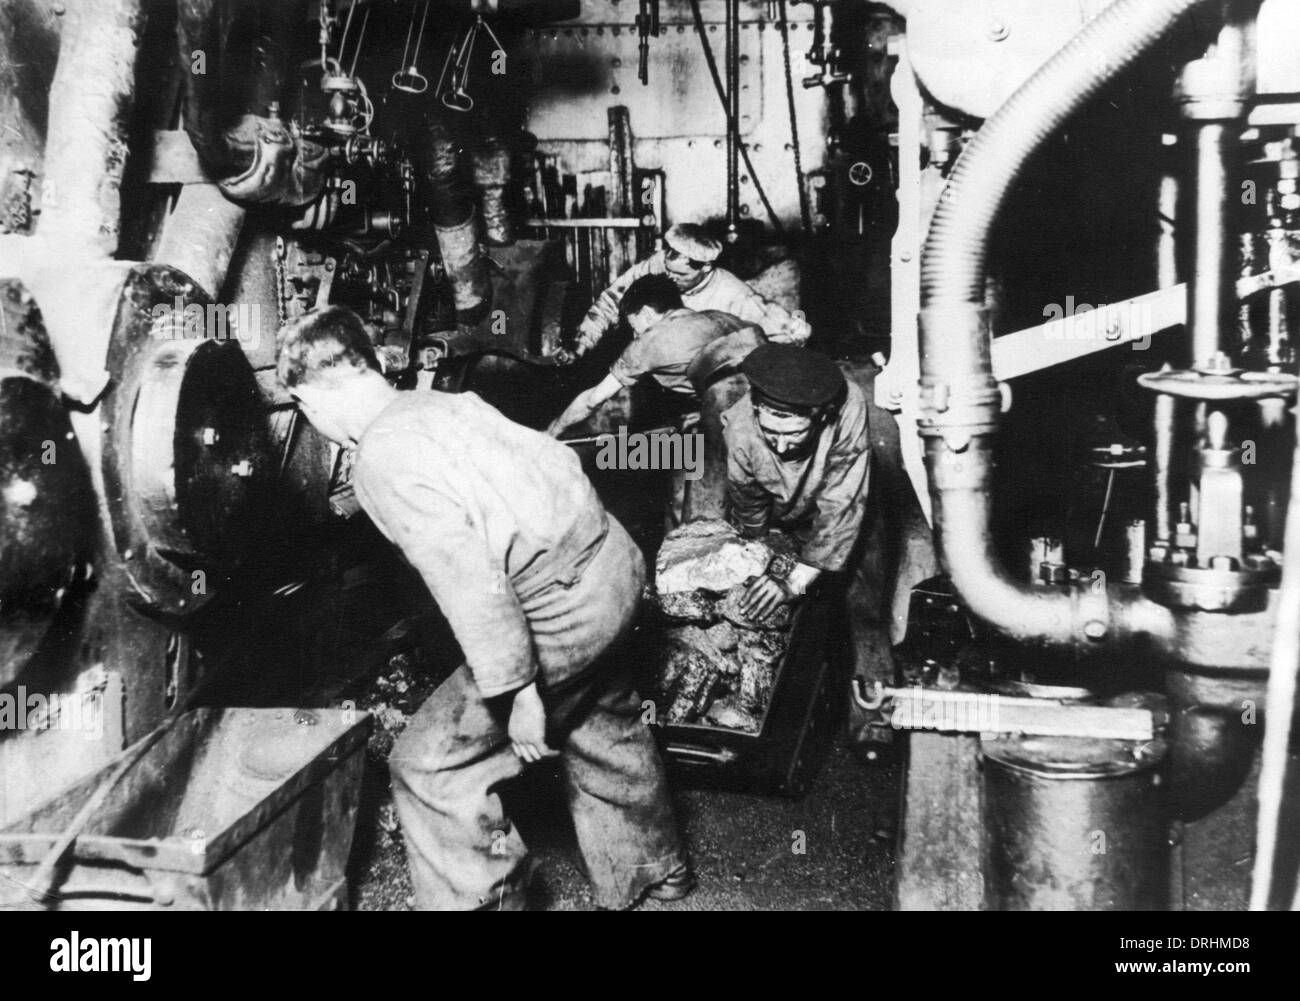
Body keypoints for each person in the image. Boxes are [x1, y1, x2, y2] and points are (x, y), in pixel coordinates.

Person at [276, 306, 691, 910]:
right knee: (600, 717)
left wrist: (517, 691)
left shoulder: (381, 459)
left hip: (562, 607)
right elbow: (555, 460)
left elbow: (470, 579)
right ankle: (655, 871)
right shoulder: (442, 403)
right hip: (613, 565)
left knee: (431, 770)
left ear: (311, 403)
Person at [548, 274, 765, 522]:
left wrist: (553, 431)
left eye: (634, 326)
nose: (635, 333)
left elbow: (592, 400)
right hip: (772, 417)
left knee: (703, 525)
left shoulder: (652, 339)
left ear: (648, 313)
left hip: (726, 425)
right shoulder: (724, 318)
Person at [723, 344, 872, 648]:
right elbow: (748, 502)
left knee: (864, 602)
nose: (780, 446)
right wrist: (757, 551)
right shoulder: (739, 429)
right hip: (786, 506)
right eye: (770, 433)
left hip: (847, 501)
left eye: (793, 434)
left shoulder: (848, 404)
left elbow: (843, 501)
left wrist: (794, 583)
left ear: (821, 416)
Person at [563, 223, 810, 359]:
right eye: (668, 269)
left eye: (680, 275)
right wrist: (581, 343)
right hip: (652, 362)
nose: (669, 278)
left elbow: (783, 333)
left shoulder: (733, 294)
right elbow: (610, 301)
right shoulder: (658, 266)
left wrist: (793, 330)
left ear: (705, 268)